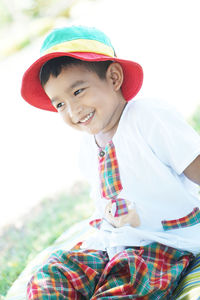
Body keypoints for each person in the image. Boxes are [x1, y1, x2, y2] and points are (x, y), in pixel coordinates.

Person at [21, 25, 200, 299]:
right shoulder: (87, 147)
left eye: (78, 91)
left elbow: (195, 163)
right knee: (51, 275)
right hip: (112, 243)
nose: (73, 110)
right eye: (59, 104)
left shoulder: (147, 116)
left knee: (125, 283)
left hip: (162, 243)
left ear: (114, 78)